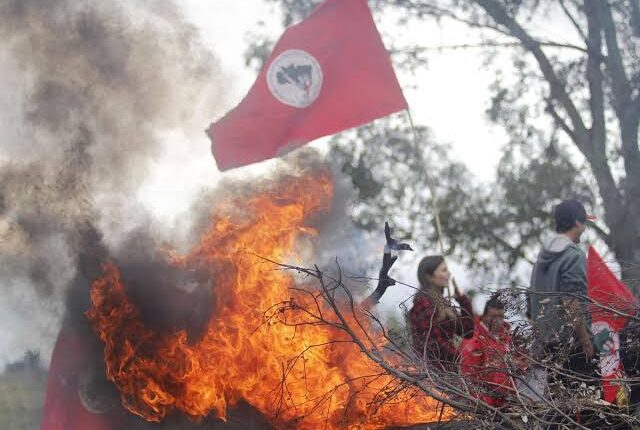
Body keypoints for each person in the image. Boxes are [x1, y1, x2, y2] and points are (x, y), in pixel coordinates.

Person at [529, 199, 596, 391]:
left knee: (558, 401)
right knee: (585, 402)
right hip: (572, 347)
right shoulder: (573, 255)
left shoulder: (541, 258)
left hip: (548, 346)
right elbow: (571, 301)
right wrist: (585, 342)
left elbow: (532, 301)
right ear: (578, 222)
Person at [409, 255, 474, 371]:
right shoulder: (424, 303)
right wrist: (458, 357)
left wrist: (462, 300)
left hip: (447, 370)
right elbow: (432, 344)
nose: (449, 274)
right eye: (444, 270)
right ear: (430, 277)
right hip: (431, 372)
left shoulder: (444, 304)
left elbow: (468, 331)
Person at [460, 296, 520, 408]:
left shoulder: (507, 337)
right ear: (485, 316)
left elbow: (512, 370)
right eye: (493, 316)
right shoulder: (474, 339)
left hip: (507, 402)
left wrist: (514, 399)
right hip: (485, 405)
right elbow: (469, 376)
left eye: (501, 316)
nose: (498, 320)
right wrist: (483, 406)